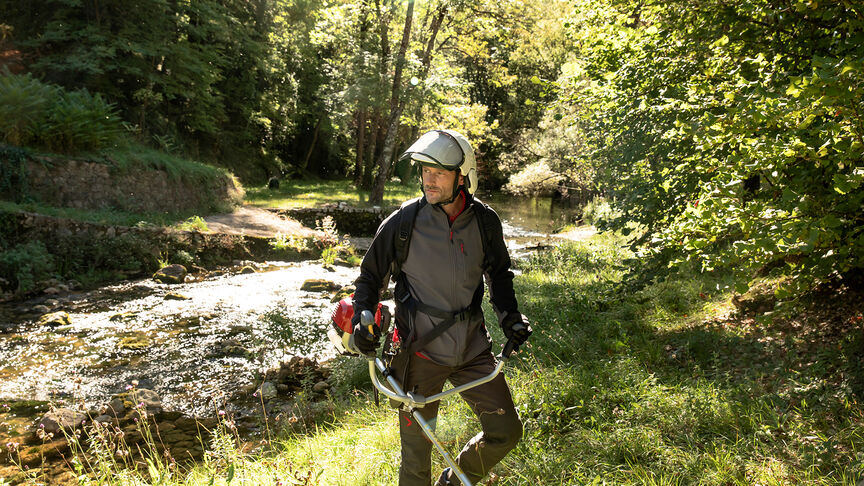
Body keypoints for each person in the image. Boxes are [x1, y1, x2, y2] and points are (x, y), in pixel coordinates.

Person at [350, 129, 532, 485]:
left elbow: (499, 274)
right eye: (424, 172)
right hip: (418, 355)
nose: (428, 181)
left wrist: (509, 317)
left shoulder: (484, 221)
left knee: (506, 431)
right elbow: (370, 278)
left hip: (472, 351)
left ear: (462, 177)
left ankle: (454, 482)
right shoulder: (404, 222)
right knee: (417, 460)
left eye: (439, 173)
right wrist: (362, 319)